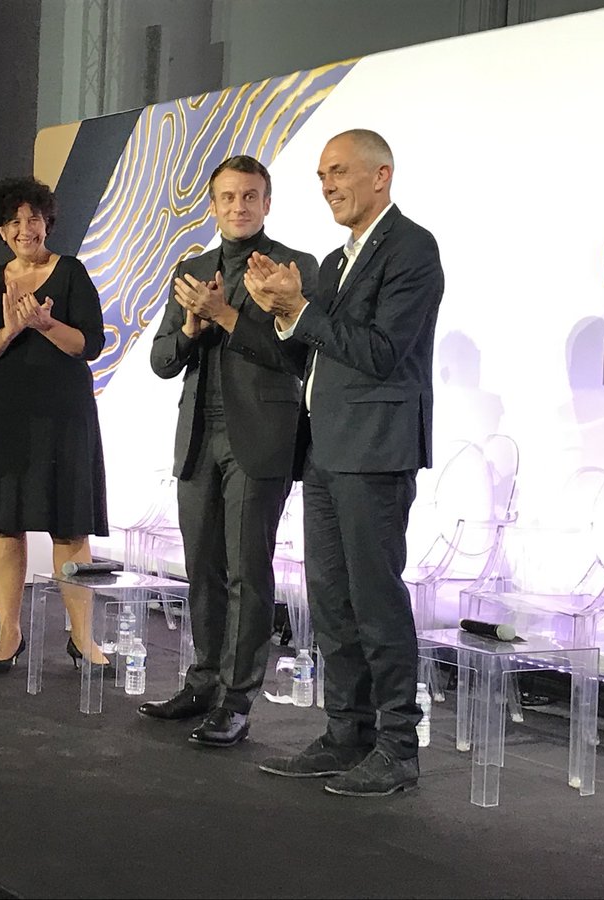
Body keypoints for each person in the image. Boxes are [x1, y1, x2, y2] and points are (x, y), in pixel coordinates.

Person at [244, 129, 444, 795]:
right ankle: (346, 733)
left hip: (376, 450)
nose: (328, 185)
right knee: (330, 601)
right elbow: (316, 350)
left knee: (375, 601)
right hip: (326, 451)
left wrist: (301, 308)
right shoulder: (334, 261)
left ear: (381, 175)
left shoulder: (412, 249)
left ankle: (398, 746)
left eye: (339, 171)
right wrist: (282, 311)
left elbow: (382, 351)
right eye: (322, 175)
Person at [139, 155, 318, 746]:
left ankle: (237, 700)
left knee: (247, 572)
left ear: (267, 202)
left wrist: (225, 314)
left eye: (249, 196)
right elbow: (162, 360)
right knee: (202, 568)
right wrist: (193, 327)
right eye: (228, 197)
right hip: (198, 434)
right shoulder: (191, 269)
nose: (238, 207)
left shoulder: (294, 267)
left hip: (259, 436)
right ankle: (202, 683)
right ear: (213, 205)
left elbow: (293, 354)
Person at [0, 176, 111, 676]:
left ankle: (82, 637)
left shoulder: (72, 272)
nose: (26, 229)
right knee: (5, 524)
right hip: (5, 413)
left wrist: (45, 325)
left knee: (70, 524)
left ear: (48, 223)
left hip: (63, 413)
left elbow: (89, 344)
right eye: (15, 221)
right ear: (1, 231)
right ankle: (9, 633)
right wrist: (11, 329)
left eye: (34, 218)